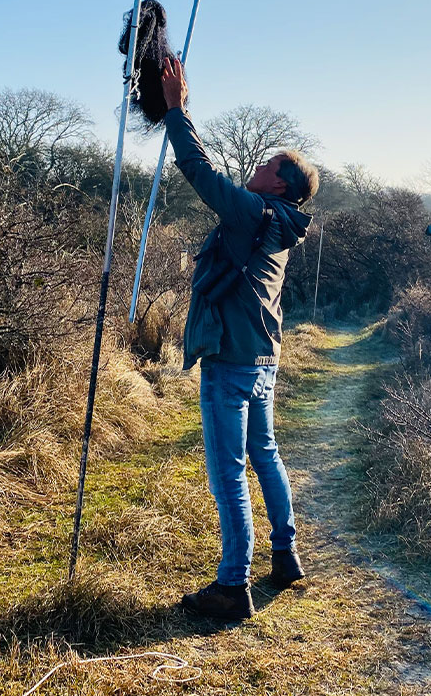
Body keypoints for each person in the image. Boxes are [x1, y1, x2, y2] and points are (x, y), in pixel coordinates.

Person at [160, 57, 319, 621]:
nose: (258, 164)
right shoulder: (278, 222)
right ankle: (286, 556)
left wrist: (177, 110)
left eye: (269, 161)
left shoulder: (255, 212)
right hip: (263, 359)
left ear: (282, 182)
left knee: (228, 470)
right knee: (265, 454)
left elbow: (200, 172)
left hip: (230, 359)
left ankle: (232, 587)